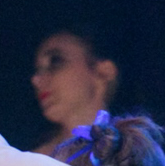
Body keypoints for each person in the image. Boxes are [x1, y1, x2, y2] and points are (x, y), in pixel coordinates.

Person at [31, 28, 120, 157]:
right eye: (38, 70)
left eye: (55, 61)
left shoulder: (135, 155)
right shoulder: (29, 162)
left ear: (103, 72)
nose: (36, 80)